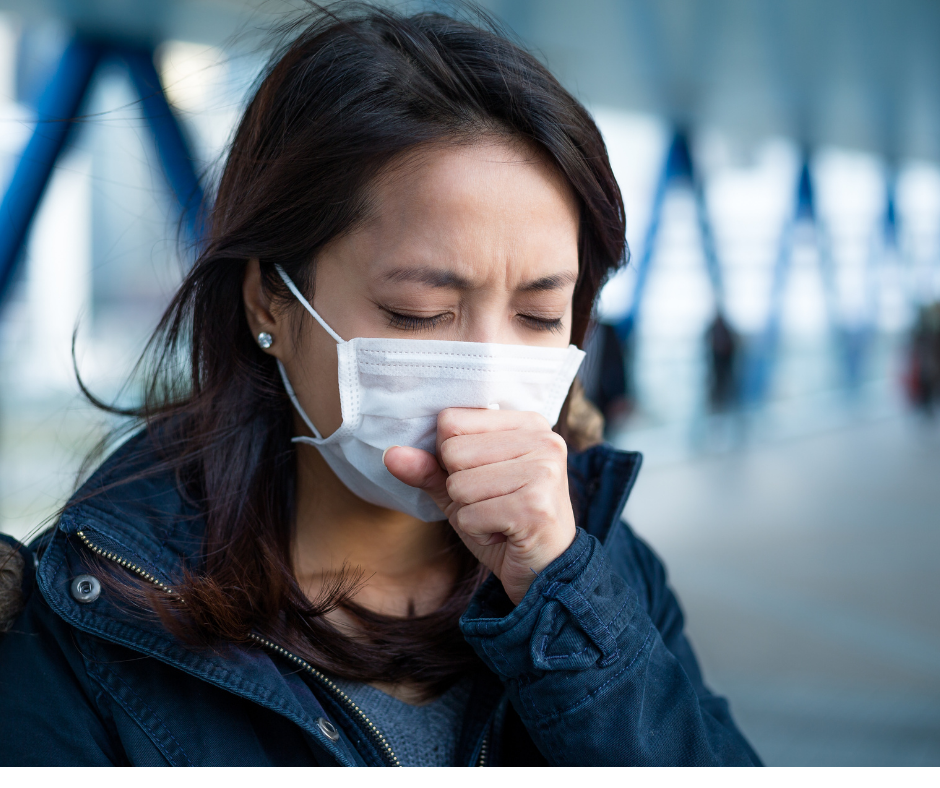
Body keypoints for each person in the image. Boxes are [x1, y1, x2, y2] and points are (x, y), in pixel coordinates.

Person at [0, 6, 760, 766]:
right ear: (270, 299)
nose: (487, 382)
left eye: (538, 314)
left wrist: (562, 596)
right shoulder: (89, 621)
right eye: (417, 312)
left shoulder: (603, 562)